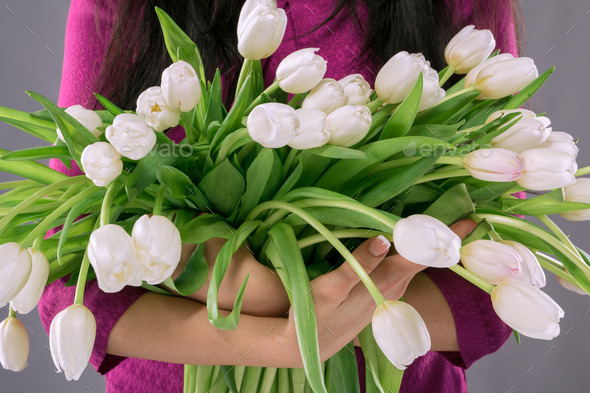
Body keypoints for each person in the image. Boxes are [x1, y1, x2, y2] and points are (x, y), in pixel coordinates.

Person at [39, 0, 521, 391]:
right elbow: (67, 274)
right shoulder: (127, 8)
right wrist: (279, 339)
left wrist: (277, 304)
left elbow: (496, 283)